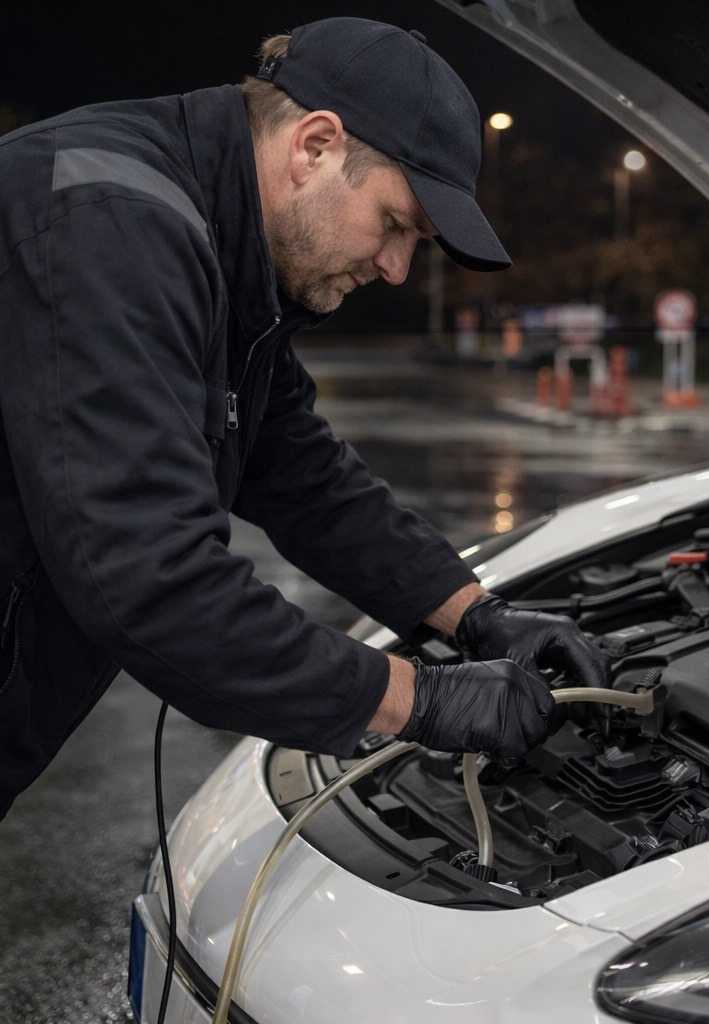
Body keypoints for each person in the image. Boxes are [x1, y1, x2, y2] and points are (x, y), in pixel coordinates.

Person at [0, 18, 609, 821]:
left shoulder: (219, 251)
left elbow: (298, 472)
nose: (396, 267)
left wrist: (477, 614)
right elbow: (152, 580)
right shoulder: (112, 225)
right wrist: (416, 700)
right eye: (396, 224)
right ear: (314, 146)